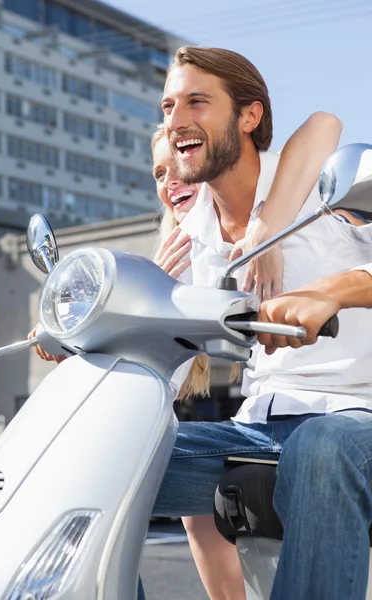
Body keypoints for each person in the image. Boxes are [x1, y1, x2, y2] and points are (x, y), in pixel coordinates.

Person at [149, 45, 372, 600]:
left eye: (197, 102)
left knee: (321, 446)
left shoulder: (319, 184)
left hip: (356, 418)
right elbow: (171, 364)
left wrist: (331, 291)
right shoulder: (196, 240)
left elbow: (326, 122)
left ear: (249, 117)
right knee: (116, 453)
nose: (177, 120)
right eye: (168, 106)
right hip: (258, 425)